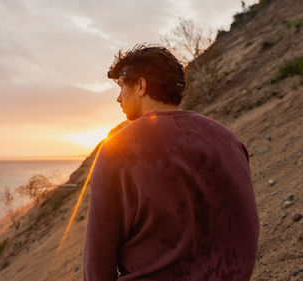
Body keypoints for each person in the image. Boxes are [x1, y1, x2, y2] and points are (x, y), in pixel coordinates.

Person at [83, 44, 259, 281]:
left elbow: (97, 266)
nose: (118, 97)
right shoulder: (229, 140)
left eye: (121, 86)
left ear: (141, 85)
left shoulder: (118, 149)